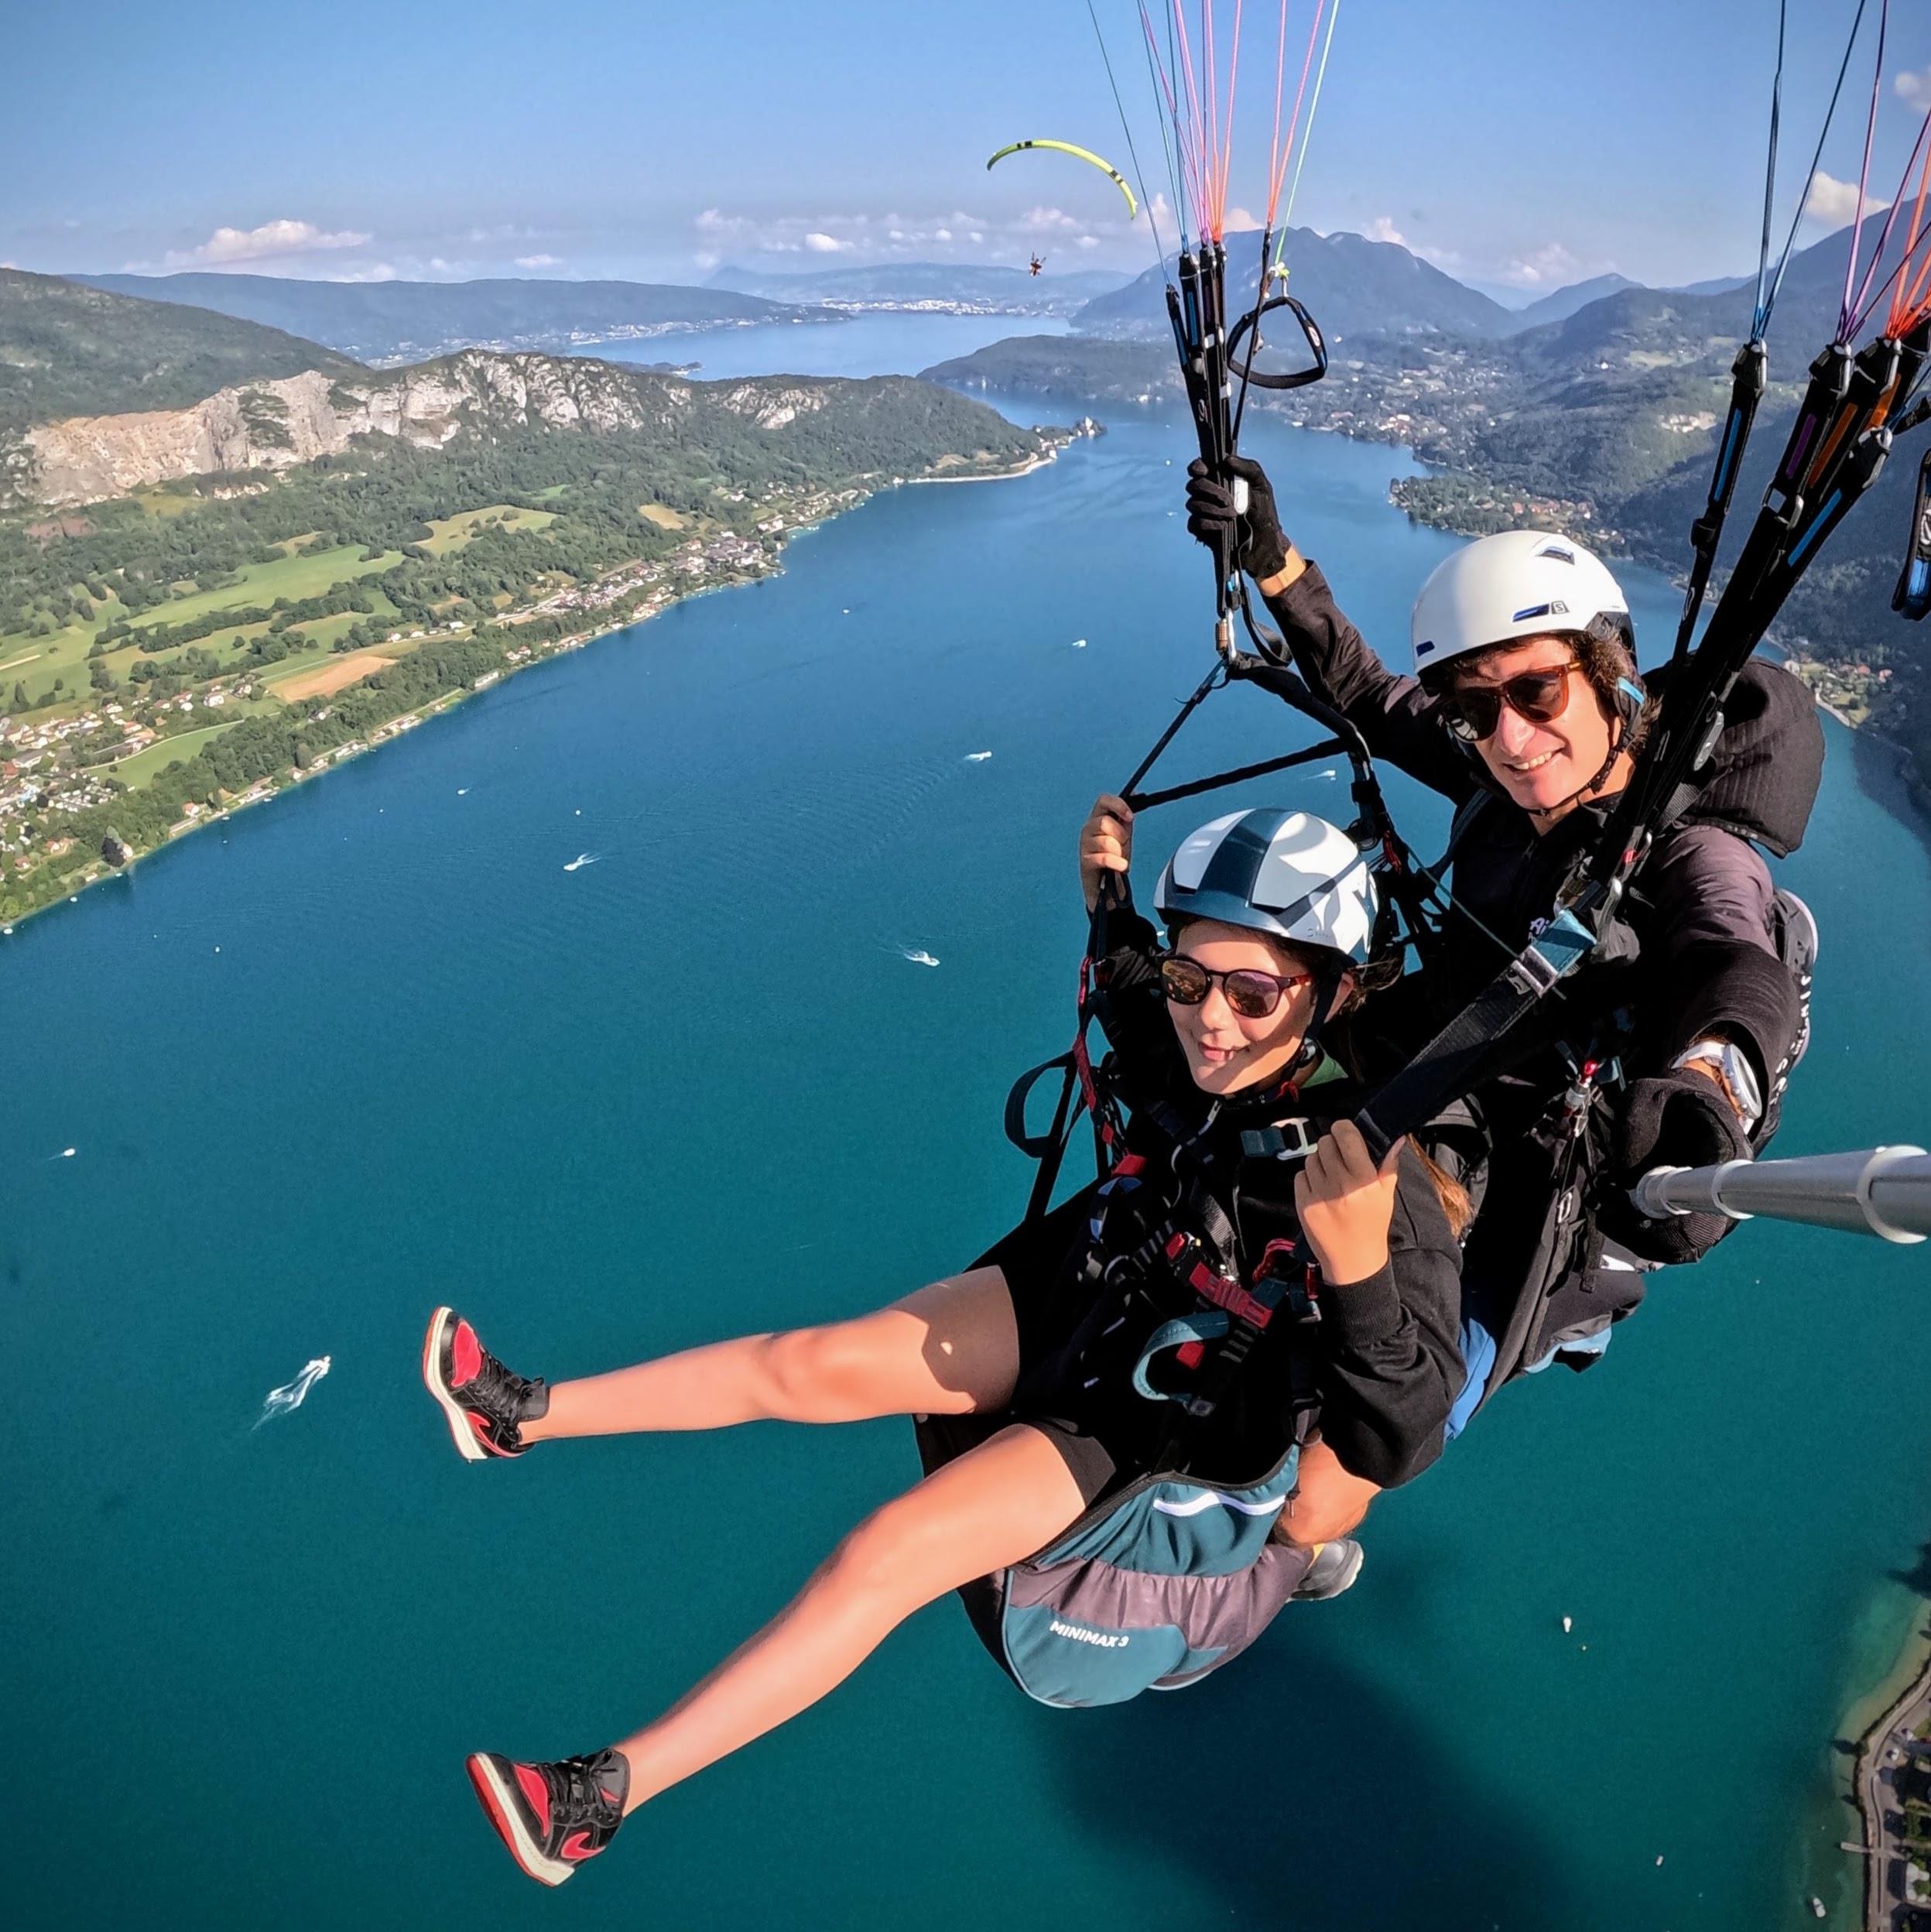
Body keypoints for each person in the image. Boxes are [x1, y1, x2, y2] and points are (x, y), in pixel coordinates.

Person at [422, 806, 1466, 1886]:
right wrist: (1106, 899)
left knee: (886, 1553)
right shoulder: (1188, 1046)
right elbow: (1124, 989)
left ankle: (596, 1802)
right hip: (1100, 1289)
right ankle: (520, 1414)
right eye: (1189, 980)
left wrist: (1355, 1271)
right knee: (809, 1364)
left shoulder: (1366, 1184)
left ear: (1332, 988)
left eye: (1250, 994)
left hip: (1156, 1409)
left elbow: (1402, 1432)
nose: (1209, 1020)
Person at [1185, 455, 1823, 1427]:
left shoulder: (1690, 856)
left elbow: (1730, 962)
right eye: (1474, 709)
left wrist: (1709, 1084)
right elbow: (1366, 691)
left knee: (1336, 1469)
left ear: (1611, 679)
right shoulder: (1501, 783)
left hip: (1533, 1190)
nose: (1509, 738)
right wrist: (1275, 564)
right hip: (1443, 1074)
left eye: (1535, 693)